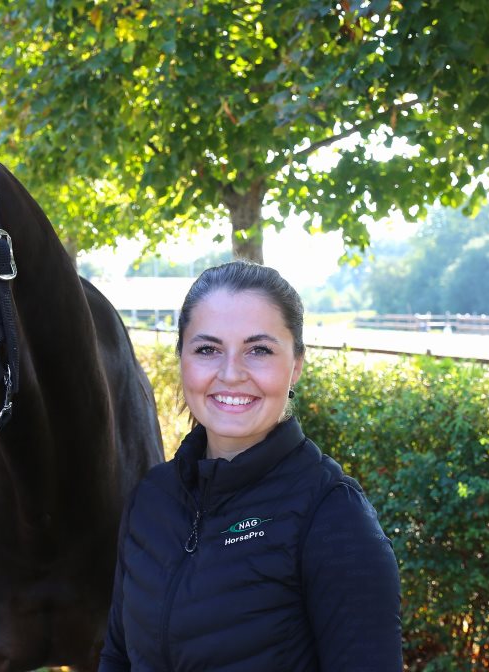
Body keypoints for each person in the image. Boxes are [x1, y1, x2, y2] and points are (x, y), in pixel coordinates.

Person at [100, 261, 403, 671]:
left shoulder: (333, 515)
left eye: (258, 350)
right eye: (207, 349)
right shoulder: (150, 500)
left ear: (295, 365)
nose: (231, 374)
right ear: (182, 359)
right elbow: (117, 656)